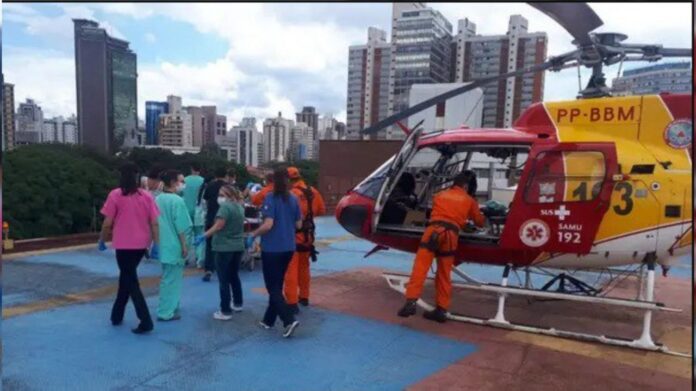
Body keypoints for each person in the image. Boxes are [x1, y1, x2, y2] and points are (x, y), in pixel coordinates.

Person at [397, 170, 485, 323]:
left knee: (420, 268)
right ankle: (441, 310)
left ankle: (411, 302)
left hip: (433, 232)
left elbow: (441, 213)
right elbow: (479, 222)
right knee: (444, 274)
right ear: (465, 186)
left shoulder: (440, 195)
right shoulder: (469, 200)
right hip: (451, 236)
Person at [98, 162, 159, 334]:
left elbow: (107, 223)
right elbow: (154, 223)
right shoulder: (146, 196)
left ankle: (145, 320)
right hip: (141, 245)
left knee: (130, 280)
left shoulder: (115, 195)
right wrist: (156, 244)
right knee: (127, 277)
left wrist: (102, 240)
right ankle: (116, 315)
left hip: (123, 245)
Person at [246, 168, 301, 338]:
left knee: (272, 288)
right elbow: (299, 225)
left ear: (272, 181)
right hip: (289, 247)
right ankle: (268, 320)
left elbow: (268, 224)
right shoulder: (294, 199)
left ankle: (288, 319)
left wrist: (253, 234)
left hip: (272, 249)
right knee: (277, 284)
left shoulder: (271, 198)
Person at [195, 185, 245, 320]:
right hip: (238, 246)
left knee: (223, 279)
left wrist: (203, 236)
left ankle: (225, 310)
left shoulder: (225, 208)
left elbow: (218, 225)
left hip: (223, 247)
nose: (219, 198)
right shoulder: (240, 207)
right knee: (234, 276)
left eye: (222, 195)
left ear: (229, 196)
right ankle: (238, 303)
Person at [284, 166, 326, 313]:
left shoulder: (290, 195)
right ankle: (304, 297)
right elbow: (321, 210)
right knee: (304, 268)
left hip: (293, 237)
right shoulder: (313, 191)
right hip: (308, 237)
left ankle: (291, 301)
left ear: (288, 179)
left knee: (291, 271)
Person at [154, 170, 192, 321]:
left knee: (169, 277)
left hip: (164, 244)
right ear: (172, 182)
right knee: (171, 280)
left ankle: (172, 306)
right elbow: (181, 227)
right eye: (179, 181)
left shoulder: (158, 199)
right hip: (175, 245)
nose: (181, 184)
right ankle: (165, 312)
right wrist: (184, 246)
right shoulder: (177, 201)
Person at [201, 167, 229, 281]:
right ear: (226, 175)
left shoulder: (210, 186)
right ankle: (224, 269)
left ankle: (208, 269)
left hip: (211, 217)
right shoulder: (229, 187)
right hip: (226, 219)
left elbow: (205, 199)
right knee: (225, 244)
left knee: (209, 245)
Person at [183, 163, 205, 266]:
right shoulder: (203, 181)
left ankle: (184, 257)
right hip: (199, 211)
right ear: (200, 170)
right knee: (199, 235)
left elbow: (179, 193)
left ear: (191, 169)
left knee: (186, 235)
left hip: (186, 210)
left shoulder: (185, 180)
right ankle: (199, 260)